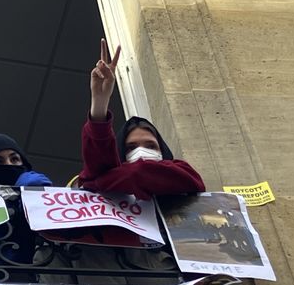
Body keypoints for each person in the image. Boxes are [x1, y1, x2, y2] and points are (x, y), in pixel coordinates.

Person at [78, 38, 205, 199]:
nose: (141, 152)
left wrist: (98, 183)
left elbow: (139, 173)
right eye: (131, 147)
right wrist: (99, 103)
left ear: (163, 151)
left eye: (151, 145)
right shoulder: (110, 182)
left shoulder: (185, 172)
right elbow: (98, 160)